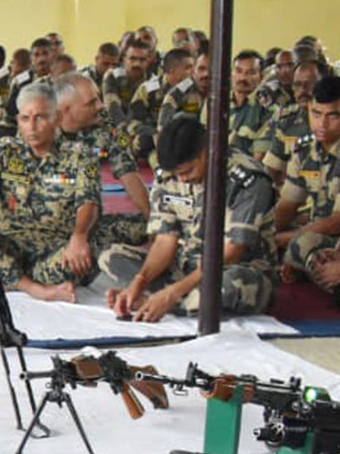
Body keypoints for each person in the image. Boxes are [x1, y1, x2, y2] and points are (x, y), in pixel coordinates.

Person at [99, 114, 276, 320]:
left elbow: (232, 251)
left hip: (232, 271)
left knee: (230, 286)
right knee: (110, 256)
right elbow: (165, 240)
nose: (182, 179)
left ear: (206, 152)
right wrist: (139, 282)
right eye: (176, 174)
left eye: (187, 171)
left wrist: (173, 293)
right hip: (185, 267)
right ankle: (166, 299)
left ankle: (160, 302)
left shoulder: (247, 180)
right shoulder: (170, 175)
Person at [0, 81, 100, 303]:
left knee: (80, 261)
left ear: (57, 118)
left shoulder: (80, 155)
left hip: (55, 246)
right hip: (9, 243)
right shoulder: (5, 150)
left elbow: (88, 201)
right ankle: (36, 289)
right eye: (25, 118)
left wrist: (79, 237)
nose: (32, 126)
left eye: (40, 117)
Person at [53, 71, 149, 250]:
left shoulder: (103, 123)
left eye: (98, 98)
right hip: (47, 221)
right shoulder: (38, 129)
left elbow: (128, 172)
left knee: (151, 226)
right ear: (66, 109)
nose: (100, 106)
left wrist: (154, 222)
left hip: (91, 220)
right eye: (91, 103)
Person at [273, 76, 340, 297]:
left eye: (333, 116)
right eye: (316, 114)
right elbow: (286, 207)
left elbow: (335, 222)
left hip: (331, 234)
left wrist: (286, 240)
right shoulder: (305, 151)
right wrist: (262, 235)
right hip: (318, 234)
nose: (322, 123)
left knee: (302, 243)